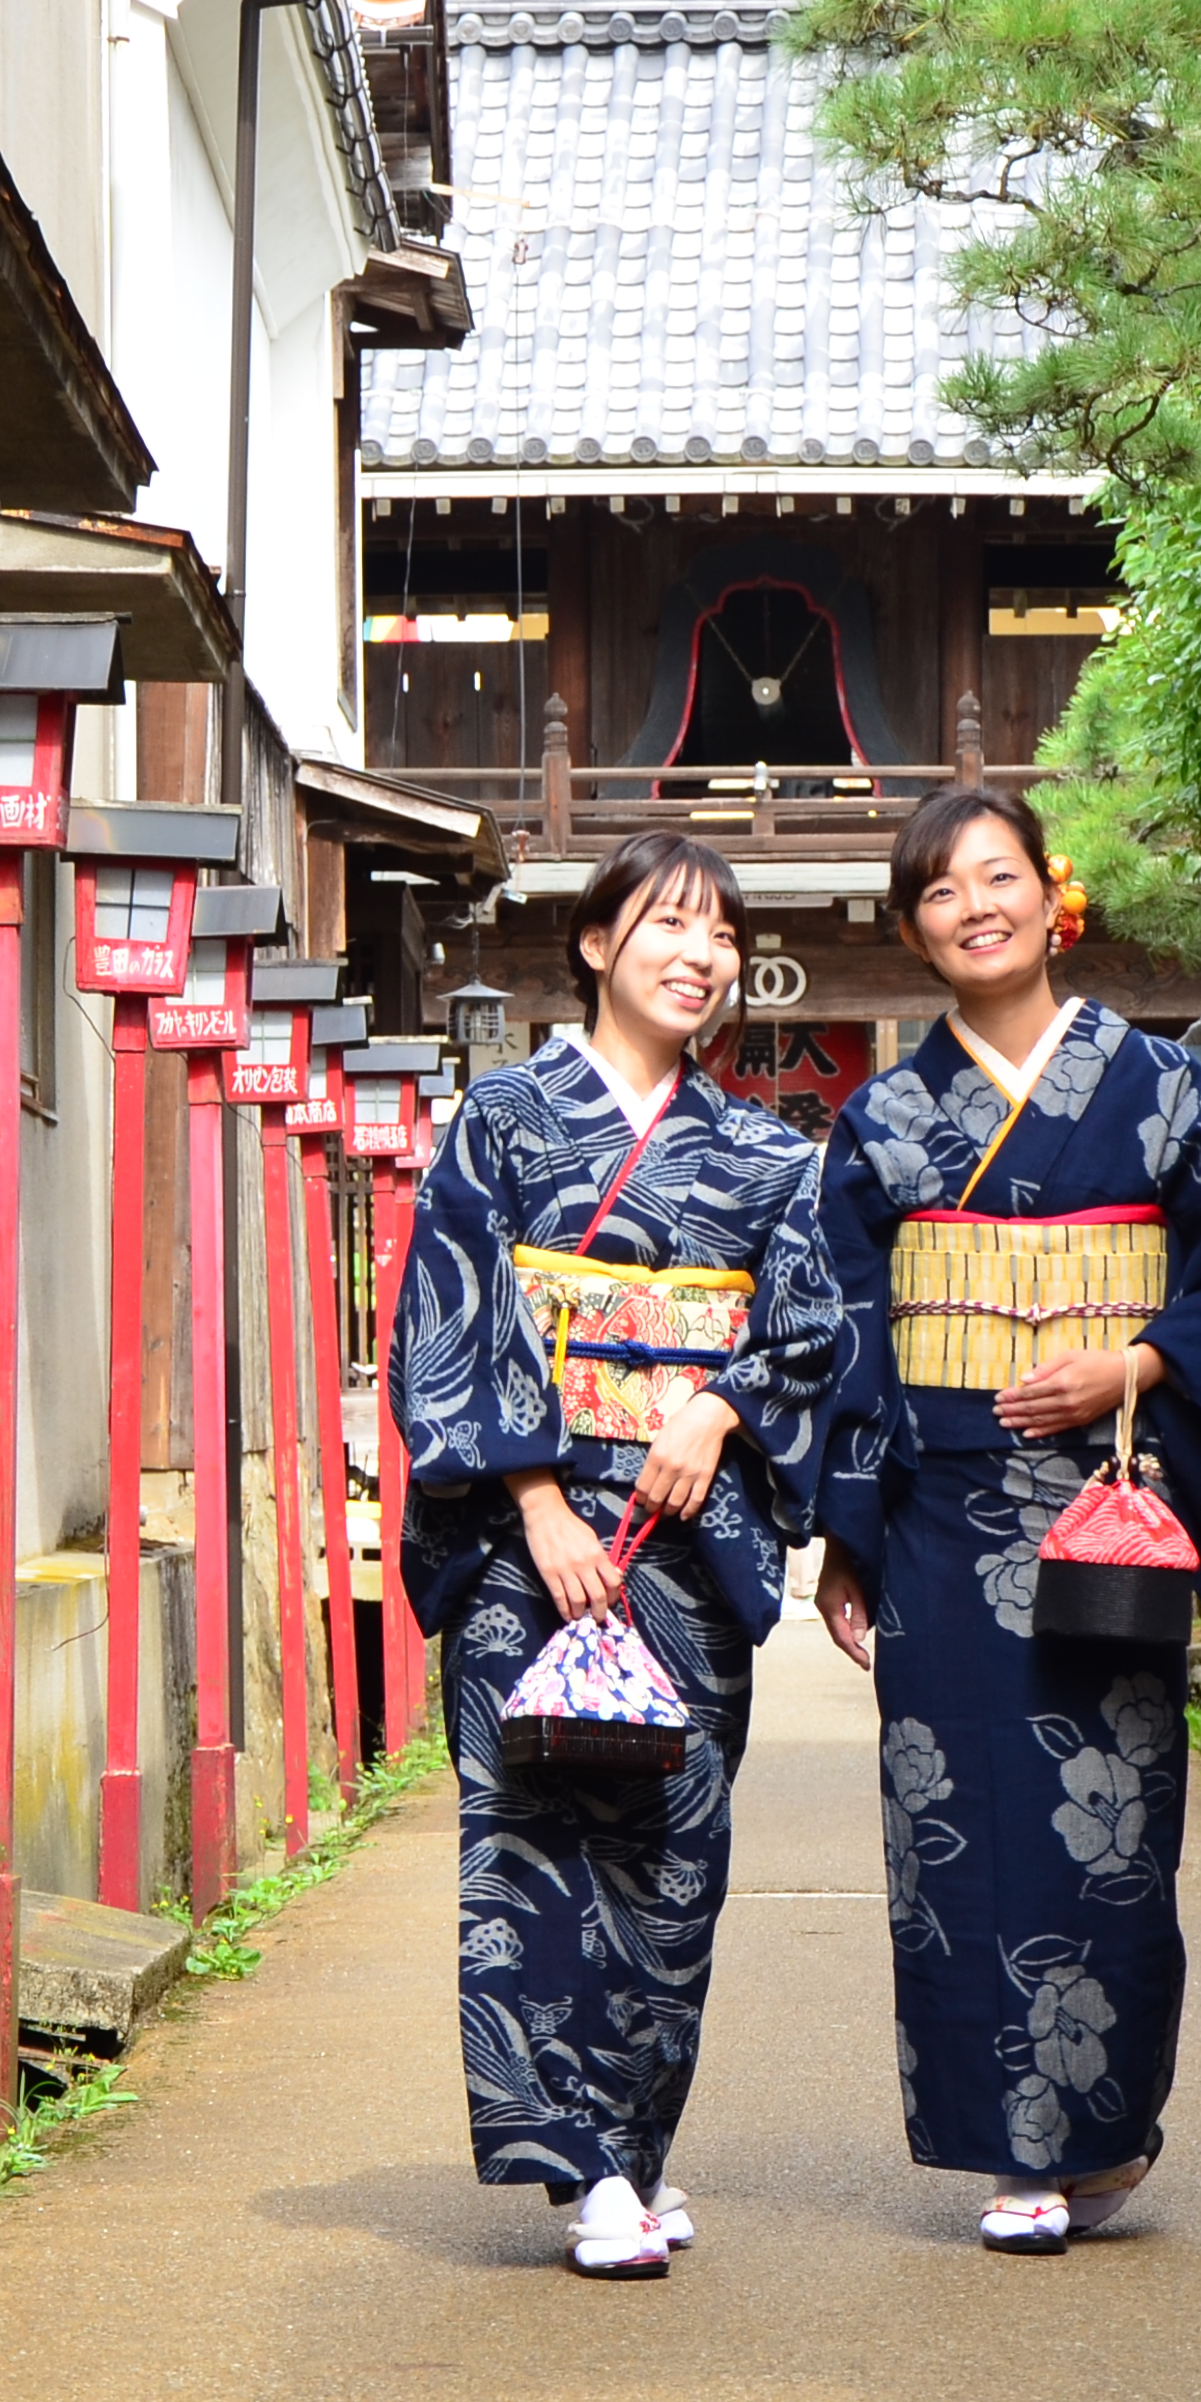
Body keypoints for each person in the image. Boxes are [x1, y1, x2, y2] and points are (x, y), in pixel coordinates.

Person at [814, 780, 1201, 2254]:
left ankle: (1107, 2124)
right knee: (951, 1826)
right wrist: (848, 1533)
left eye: (999, 876)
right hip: (945, 1519)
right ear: (914, 930)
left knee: (1116, 1835)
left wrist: (1137, 1361)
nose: (978, 907)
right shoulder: (882, 1119)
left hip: (1110, 1506)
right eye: (944, 892)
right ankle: (1015, 2154)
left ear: (1050, 893)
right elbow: (840, 1324)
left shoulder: (1155, 1085)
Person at [388, 832, 847, 2277]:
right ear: (596, 945)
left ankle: (637, 2148)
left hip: (686, 1547)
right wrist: (531, 1506)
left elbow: (815, 1335)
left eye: (720, 932)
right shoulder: (504, 1123)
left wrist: (719, 1408)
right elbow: (450, 1317)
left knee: (673, 1848)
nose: (698, 954)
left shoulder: (772, 1155)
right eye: (667, 925)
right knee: (529, 1843)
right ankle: (579, 2166)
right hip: (535, 1542)